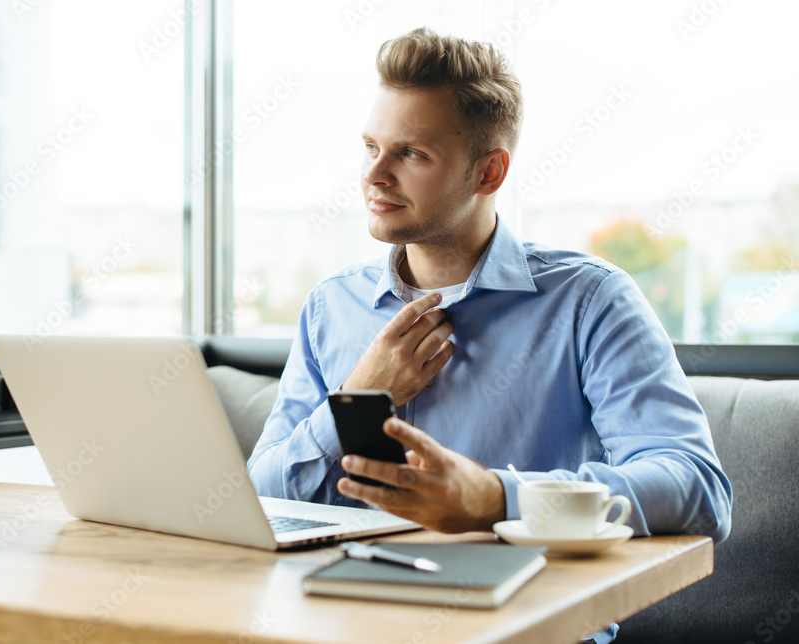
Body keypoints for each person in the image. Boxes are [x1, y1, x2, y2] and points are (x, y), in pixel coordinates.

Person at [246, 27, 731, 641]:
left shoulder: (589, 301)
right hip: (343, 625)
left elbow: (697, 488)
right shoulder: (330, 307)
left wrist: (495, 498)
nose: (374, 174)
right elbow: (257, 499)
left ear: (489, 171)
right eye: (370, 146)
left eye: (411, 154)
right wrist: (355, 402)